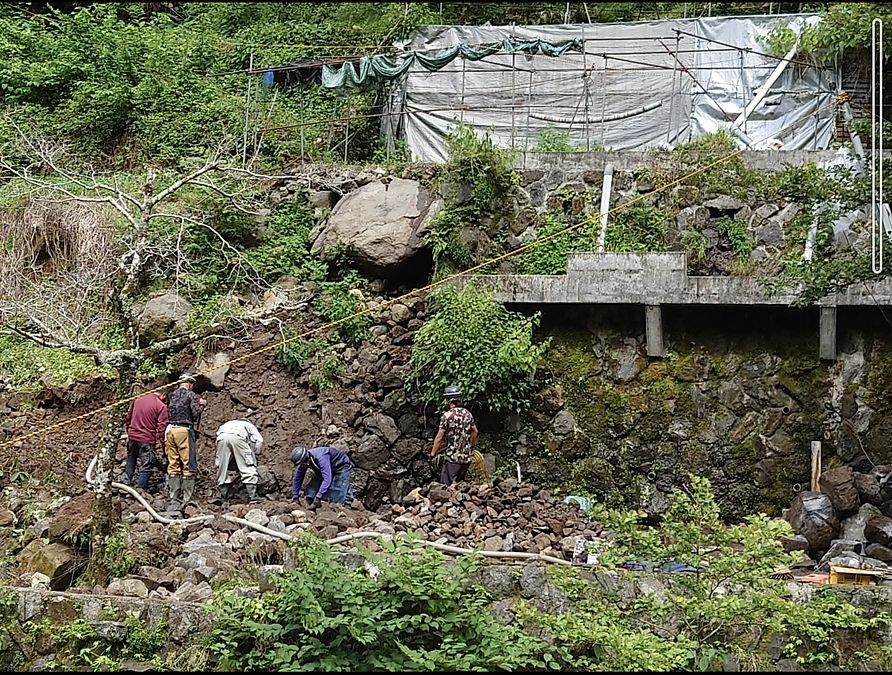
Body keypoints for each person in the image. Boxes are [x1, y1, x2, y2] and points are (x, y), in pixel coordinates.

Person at [165, 372, 207, 508]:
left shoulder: (172, 395)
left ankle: (173, 496)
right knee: (188, 463)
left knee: (173, 463)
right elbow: (195, 415)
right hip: (184, 430)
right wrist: (201, 405)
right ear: (190, 384)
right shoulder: (190, 395)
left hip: (170, 430)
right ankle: (187, 498)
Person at [430, 384, 478, 486]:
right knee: (459, 486)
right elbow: (475, 431)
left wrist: (433, 454)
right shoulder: (467, 414)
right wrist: (471, 447)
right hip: (466, 459)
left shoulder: (447, 416)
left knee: (445, 487)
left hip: (453, 459)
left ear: (449, 401)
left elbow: (439, 437)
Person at [121, 390, 168, 491]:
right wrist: (164, 445)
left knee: (131, 457)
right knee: (147, 463)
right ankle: (140, 489)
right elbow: (161, 429)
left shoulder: (138, 399)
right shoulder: (161, 406)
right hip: (147, 439)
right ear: (163, 395)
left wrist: (130, 432)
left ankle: (126, 479)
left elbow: (128, 418)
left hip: (132, 436)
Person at [215, 418, 264, 503]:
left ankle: (223, 496)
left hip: (221, 438)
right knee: (247, 467)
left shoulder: (227, 423)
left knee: (222, 467)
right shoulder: (249, 425)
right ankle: (253, 496)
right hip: (238, 437)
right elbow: (259, 440)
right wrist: (255, 453)